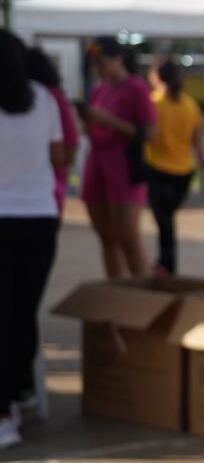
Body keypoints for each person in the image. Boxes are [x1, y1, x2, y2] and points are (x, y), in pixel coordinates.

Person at [0, 31, 64, 449]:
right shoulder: (44, 98)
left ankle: (5, 410)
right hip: (40, 218)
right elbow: (58, 157)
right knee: (23, 314)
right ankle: (19, 392)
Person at [80, 37, 156, 278]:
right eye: (95, 64)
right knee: (107, 237)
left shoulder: (136, 87)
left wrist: (110, 121)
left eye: (102, 62)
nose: (98, 68)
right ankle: (117, 290)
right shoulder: (99, 89)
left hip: (124, 167)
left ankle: (144, 291)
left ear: (118, 59)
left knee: (128, 236)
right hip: (98, 164)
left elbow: (150, 133)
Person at [145, 58, 204, 275]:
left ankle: (166, 265)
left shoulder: (152, 103)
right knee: (167, 220)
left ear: (156, 76)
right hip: (184, 172)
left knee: (164, 221)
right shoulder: (190, 105)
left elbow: (148, 136)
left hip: (158, 169)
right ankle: (166, 264)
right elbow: (198, 142)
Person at [25, 48, 79, 219]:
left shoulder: (48, 97)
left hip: (44, 187)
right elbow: (71, 144)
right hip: (47, 190)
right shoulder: (53, 96)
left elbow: (69, 147)